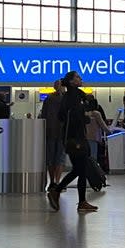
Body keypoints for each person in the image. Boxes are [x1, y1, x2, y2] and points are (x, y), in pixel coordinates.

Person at [48, 71, 98, 213]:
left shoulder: (74, 95)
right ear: (71, 81)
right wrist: (86, 117)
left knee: (80, 170)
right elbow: (75, 116)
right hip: (75, 138)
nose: (80, 78)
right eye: (77, 77)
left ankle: (81, 201)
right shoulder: (72, 96)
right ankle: (57, 191)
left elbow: (62, 115)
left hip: (73, 137)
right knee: (79, 169)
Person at [41, 79, 66, 186]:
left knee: (51, 159)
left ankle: (52, 182)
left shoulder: (48, 99)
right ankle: (57, 181)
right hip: (62, 133)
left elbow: (43, 116)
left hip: (50, 133)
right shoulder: (65, 99)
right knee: (60, 158)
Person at [85, 94, 112, 162]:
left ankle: (87, 171)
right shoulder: (96, 113)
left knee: (88, 156)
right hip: (94, 137)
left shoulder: (85, 113)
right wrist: (110, 132)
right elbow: (102, 124)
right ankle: (93, 171)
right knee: (93, 157)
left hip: (85, 136)